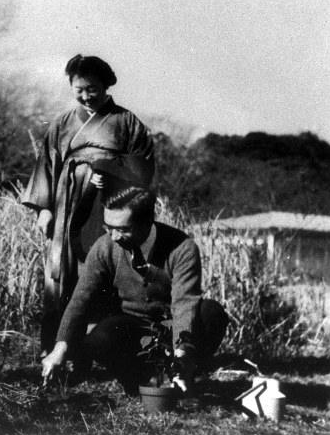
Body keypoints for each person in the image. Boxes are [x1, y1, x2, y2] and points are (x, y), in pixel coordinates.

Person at [22, 54, 155, 354]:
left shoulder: (127, 122)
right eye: (79, 89)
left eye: (92, 89)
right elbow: (48, 162)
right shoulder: (63, 123)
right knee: (60, 272)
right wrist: (44, 208)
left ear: (106, 86)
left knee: (102, 269)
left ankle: (97, 349)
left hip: (108, 206)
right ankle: (54, 348)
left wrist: (113, 174)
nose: (85, 96)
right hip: (65, 203)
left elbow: (143, 166)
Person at [40, 186, 229, 395]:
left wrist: (182, 353)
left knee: (211, 312)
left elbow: (185, 303)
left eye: (123, 229)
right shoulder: (104, 247)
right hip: (132, 327)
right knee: (100, 338)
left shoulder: (182, 247)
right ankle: (138, 381)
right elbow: (80, 300)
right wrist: (60, 349)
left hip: (172, 325)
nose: (114, 236)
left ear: (147, 222)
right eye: (108, 227)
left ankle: (187, 373)